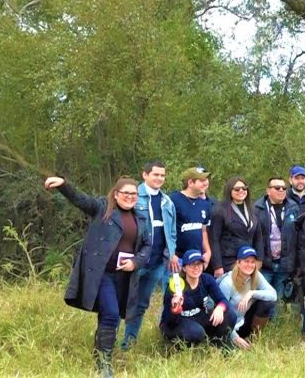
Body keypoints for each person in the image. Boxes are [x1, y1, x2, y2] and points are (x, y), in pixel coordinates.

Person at [44, 175, 150, 377]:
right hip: (102, 274)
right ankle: (104, 363)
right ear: (116, 194)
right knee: (110, 313)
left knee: (112, 315)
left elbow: (147, 246)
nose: (130, 197)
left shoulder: (141, 218)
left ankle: (100, 350)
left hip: (125, 276)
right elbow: (82, 200)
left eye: (134, 193)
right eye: (126, 193)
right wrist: (64, 185)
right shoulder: (103, 208)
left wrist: (135, 262)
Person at [122, 160, 175, 350]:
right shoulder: (133, 197)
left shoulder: (167, 202)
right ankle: (106, 340)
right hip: (134, 262)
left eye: (162, 175)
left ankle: (128, 343)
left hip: (157, 264)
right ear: (145, 175)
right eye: (155, 174)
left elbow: (172, 232)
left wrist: (172, 254)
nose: (159, 178)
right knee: (121, 302)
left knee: (142, 304)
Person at [161, 249, 239, 350]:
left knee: (230, 314)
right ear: (184, 268)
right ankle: (175, 347)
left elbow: (223, 300)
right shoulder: (175, 286)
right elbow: (168, 321)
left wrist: (220, 307)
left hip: (198, 318)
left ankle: (219, 343)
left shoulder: (206, 279)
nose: (196, 268)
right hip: (176, 322)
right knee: (197, 333)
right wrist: (175, 309)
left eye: (199, 264)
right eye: (192, 265)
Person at [253, 176, 299, 319]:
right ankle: (259, 327)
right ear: (268, 190)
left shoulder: (293, 207)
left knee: (278, 298)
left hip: (284, 262)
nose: (281, 190)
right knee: (263, 296)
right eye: (277, 188)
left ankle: (275, 328)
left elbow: (298, 236)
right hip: (265, 262)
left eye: (284, 188)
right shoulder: (257, 208)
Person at [216, 245, 276, 345]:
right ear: (238, 263)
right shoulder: (227, 282)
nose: (250, 265)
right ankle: (234, 340)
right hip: (227, 327)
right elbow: (221, 314)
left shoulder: (256, 275)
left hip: (243, 322)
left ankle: (253, 338)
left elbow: (273, 294)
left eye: (252, 262)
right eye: (246, 261)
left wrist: (251, 293)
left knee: (267, 303)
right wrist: (235, 338)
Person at [210, 176, 263, 277]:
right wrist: (217, 265)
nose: (241, 191)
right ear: (229, 190)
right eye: (237, 189)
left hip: (248, 260)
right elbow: (214, 239)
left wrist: (259, 259)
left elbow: (258, 237)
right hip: (229, 261)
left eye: (244, 188)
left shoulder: (252, 209)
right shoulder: (220, 211)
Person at [170, 167, 213, 265]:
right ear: (190, 183)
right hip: (178, 258)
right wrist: (171, 254)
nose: (206, 183)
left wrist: (208, 251)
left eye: (206, 180)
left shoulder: (205, 204)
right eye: (202, 180)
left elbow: (203, 230)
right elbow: (166, 230)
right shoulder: (173, 200)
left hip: (198, 258)